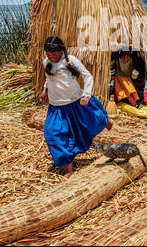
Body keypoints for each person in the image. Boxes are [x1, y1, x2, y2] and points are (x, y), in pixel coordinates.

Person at [39, 36, 113, 178]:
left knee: (95, 121)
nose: (51, 57)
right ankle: (68, 168)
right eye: (48, 54)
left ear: (61, 50)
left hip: (75, 102)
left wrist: (86, 95)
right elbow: (49, 78)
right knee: (51, 134)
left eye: (54, 54)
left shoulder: (70, 60)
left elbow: (87, 76)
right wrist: (44, 90)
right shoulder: (46, 62)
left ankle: (106, 121)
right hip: (57, 107)